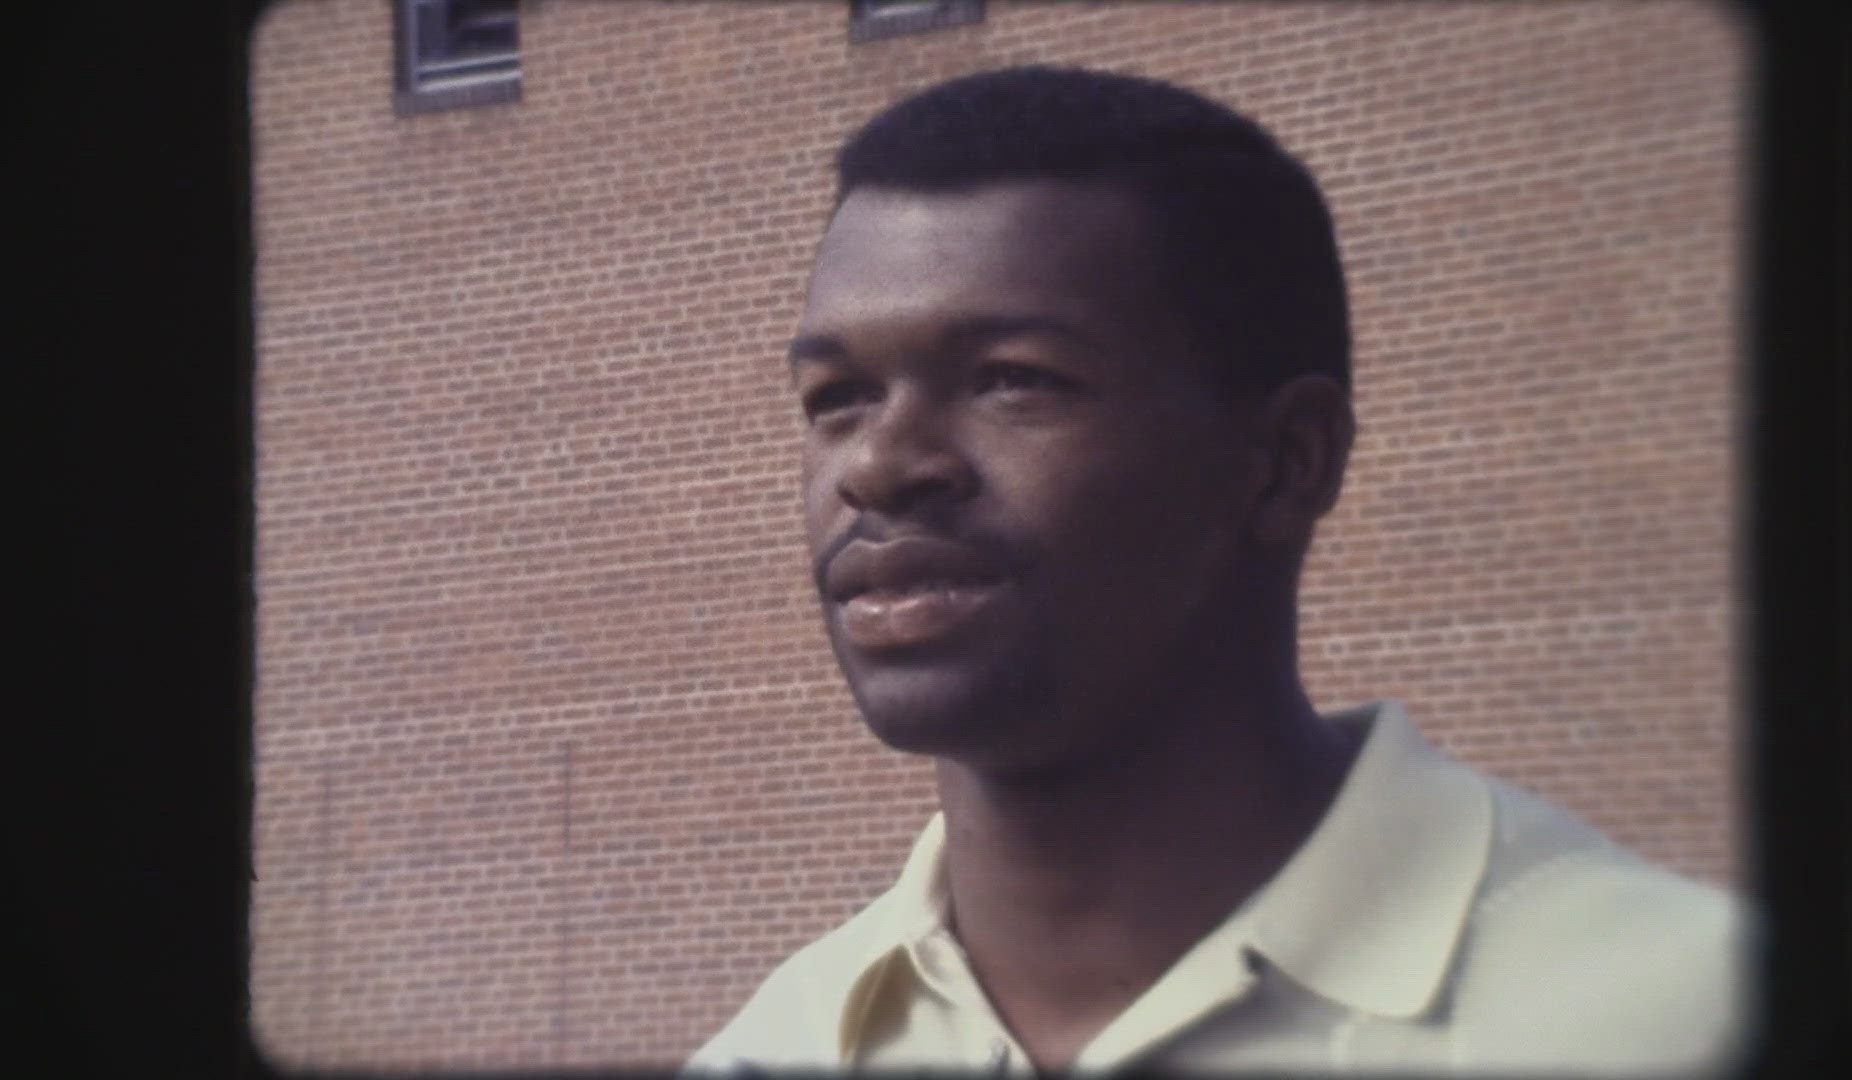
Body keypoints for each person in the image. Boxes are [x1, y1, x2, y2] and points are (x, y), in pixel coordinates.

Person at [685, 65, 1747, 1075]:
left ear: (1287, 462)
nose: (878, 466)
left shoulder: (1688, 1015)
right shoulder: (775, 1046)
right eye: (837, 397)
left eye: (1013, 380)